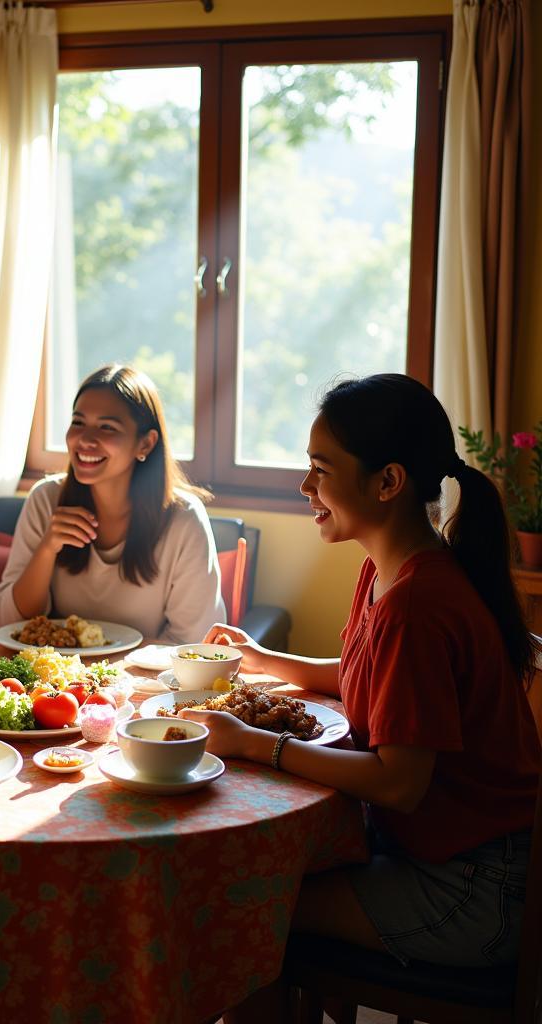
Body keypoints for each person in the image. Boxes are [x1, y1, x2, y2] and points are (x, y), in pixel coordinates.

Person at [183, 374, 540, 1017]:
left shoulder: (418, 605)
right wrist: (266, 660)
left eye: (321, 469)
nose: (305, 485)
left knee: (238, 907)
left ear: (388, 482)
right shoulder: (392, 566)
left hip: (473, 889)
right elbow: (361, 675)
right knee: (260, 877)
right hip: (439, 857)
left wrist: (255, 743)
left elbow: (399, 783)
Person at [0, 364, 225, 643]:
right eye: (78, 422)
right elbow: (8, 623)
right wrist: (47, 548)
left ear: (146, 444)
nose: (85, 440)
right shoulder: (45, 499)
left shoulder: (184, 519)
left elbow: (194, 641)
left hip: (145, 681)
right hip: (57, 680)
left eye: (107, 427)